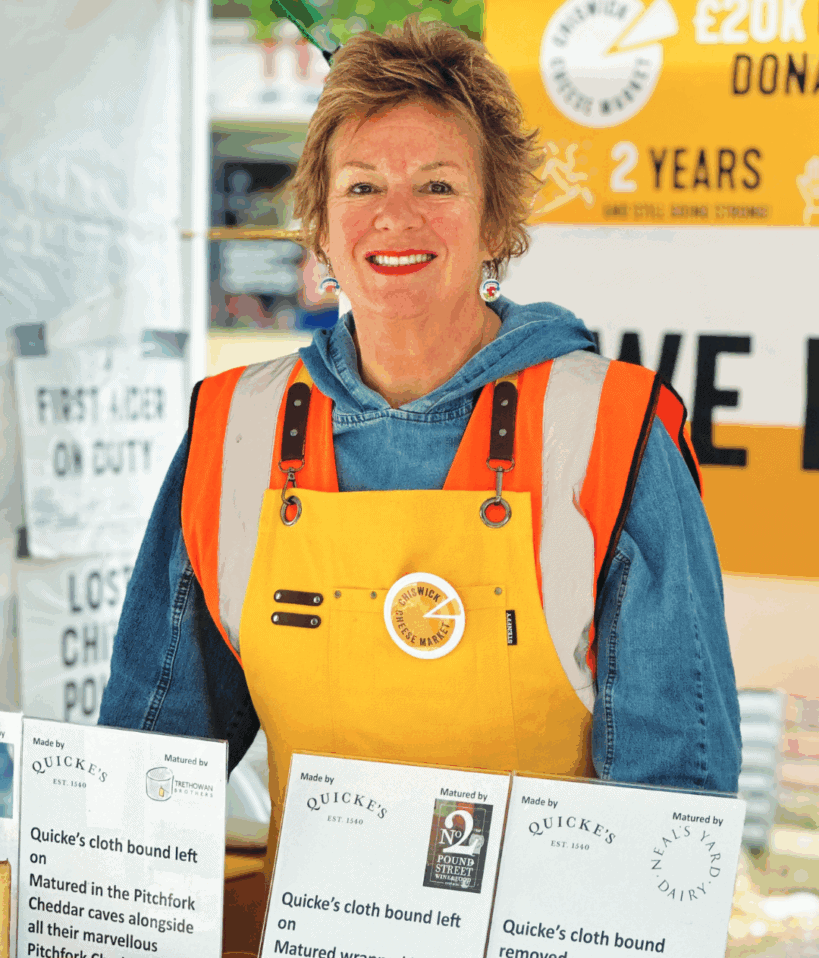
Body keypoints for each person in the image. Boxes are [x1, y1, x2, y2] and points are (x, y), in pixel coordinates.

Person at [99, 20, 741, 856]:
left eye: (437, 186)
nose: (394, 218)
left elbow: (675, 804)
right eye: (361, 188)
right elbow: (151, 763)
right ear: (320, 227)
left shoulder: (610, 429)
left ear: (496, 224)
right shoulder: (234, 431)